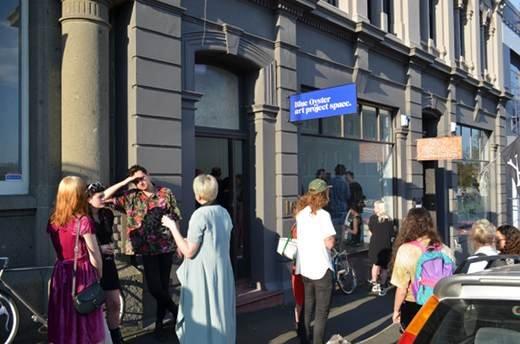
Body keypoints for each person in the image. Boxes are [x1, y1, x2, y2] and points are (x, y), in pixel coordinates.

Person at [103, 165, 181, 340]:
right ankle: (176, 311)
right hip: (146, 250)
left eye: (142, 178)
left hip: (165, 247)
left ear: (148, 175)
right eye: (136, 181)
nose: (141, 182)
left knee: (163, 287)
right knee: (155, 288)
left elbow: (175, 217)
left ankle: (160, 325)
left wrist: (178, 242)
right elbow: (102, 197)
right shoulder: (131, 197)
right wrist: (127, 182)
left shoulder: (165, 193)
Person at [161, 174, 236, 344]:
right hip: (221, 269)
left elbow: (189, 252)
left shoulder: (200, 215)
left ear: (198, 194)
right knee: (219, 312)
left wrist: (172, 227)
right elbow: (210, 241)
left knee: (203, 314)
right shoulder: (224, 212)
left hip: (203, 273)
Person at [47, 176, 105, 344]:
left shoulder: (53, 220)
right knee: (85, 317)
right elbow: (94, 255)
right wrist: (99, 275)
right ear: (78, 195)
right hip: (81, 272)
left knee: (64, 315)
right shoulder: (83, 221)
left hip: (60, 272)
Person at [390, 208, 454, 330]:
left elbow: (402, 288)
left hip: (413, 304)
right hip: (439, 303)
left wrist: (396, 311)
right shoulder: (445, 249)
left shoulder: (406, 250)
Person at [293, 178, 336, 344]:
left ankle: (304, 339)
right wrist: (332, 238)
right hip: (321, 267)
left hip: (305, 267)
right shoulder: (324, 215)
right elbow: (329, 242)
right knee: (321, 312)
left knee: (307, 306)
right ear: (323, 194)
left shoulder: (300, 214)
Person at [87, 182, 124, 343]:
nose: (104, 199)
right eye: (99, 197)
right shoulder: (84, 218)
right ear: (88, 199)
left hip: (108, 263)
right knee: (94, 305)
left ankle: (116, 336)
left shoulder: (107, 214)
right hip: (92, 263)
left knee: (114, 302)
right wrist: (99, 249)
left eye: (104, 195)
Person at [367, 200, 393, 296]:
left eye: (375, 207)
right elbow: (391, 233)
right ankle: (383, 284)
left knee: (375, 264)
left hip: (375, 245)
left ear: (378, 208)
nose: (374, 209)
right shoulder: (389, 219)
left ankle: (374, 283)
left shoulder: (373, 218)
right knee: (384, 267)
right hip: (386, 245)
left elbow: (371, 231)